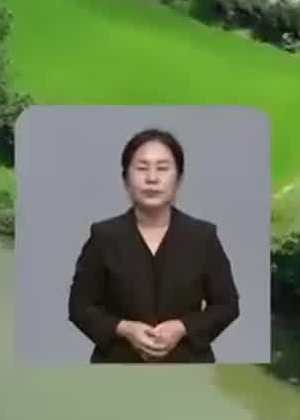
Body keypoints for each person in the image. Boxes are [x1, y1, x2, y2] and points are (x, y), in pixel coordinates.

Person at [66, 128, 240, 363]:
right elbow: (79, 306)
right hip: (117, 367)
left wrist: (182, 327)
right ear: (126, 179)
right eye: (141, 168)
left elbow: (227, 305)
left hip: (189, 367)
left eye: (162, 168)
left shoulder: (203, 236)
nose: (152, 178)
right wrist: (124, 328)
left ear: (178, 179)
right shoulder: (103, 236)